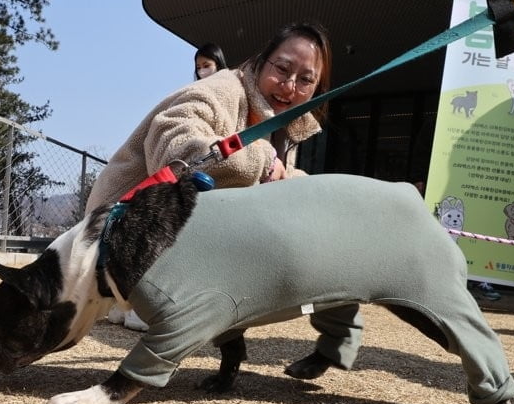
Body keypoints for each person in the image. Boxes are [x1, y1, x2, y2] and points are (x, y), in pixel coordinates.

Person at [87, 22, 359, 381]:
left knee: (314, 248)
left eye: (305, 80)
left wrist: (308, 187)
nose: (290, 86)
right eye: (282, 69)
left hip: (182, 236)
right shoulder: (221, 91)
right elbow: (176, 147)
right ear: (262, 61)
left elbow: (272, 183)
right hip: (122, 232)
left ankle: (334, 342)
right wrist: (264, 159)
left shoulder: (283, 120)